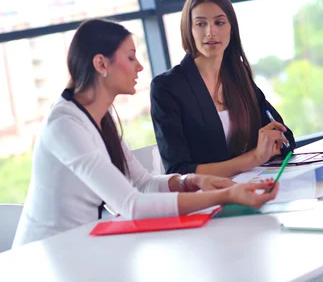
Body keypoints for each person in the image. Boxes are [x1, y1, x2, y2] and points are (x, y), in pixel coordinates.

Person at [12, 19, 280, 247]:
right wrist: (225, 196)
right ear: (101, 64)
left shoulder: (100, 118)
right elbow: (132, 205)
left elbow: (142, 183)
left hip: (82, 248)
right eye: (130, 57)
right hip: (45, 258)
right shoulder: (65, 125)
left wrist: (189, 182)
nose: (139, 66)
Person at [151, 0, 295, 178]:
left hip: (255, 186)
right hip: (208, 199)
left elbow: (285, 138)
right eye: (201, 24)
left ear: (231, 28)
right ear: (189, 30)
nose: (211, 32)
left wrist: (274, 143)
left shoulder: (238, 74)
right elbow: (179, 171)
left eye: (219, 22)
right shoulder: (167, 87)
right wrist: (254, 157)